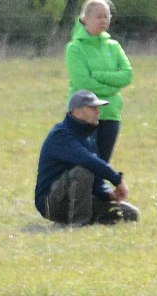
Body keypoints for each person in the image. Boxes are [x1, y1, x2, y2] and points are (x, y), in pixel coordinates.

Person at [34, 89, 139, 226]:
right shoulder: (61, 135)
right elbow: (88, 161)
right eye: (93, 108)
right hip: (51, 203)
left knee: (130, 214)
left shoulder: (88, 135)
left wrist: (108, 194)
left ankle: (75, 221)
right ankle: (78, 224)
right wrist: (117, 179)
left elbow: (96, 179)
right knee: (83, 170)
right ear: (76, 111)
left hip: (79, 201)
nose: (98, 112)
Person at [64, 0, 133, 163]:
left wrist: (99, 76)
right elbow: (83, 83)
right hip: (83, 116)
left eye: (106, 16)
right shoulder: (75, 48)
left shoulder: (114, 46)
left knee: (102, 166)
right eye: (99, 16)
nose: (103, 20)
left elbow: (127, 75)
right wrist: (112, 88)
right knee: (83, 167)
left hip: (110, 114)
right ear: (85, 18)